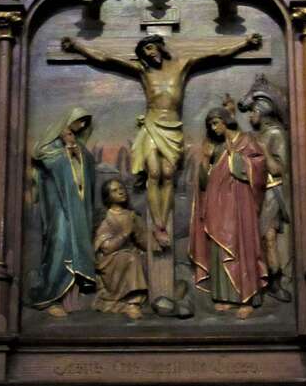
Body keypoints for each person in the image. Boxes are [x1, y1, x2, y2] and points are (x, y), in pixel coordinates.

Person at [61, 32, 261, 248]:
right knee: (154, 173)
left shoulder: (182, 66)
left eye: (150, 48)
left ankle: (163, 221)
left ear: (160, 47)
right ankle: (158, 223)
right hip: (152, 126)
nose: (149, 54)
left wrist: (244, 44)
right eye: (144, 52)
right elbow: (106, 58)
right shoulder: (144, 72)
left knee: (167, 174)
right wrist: (77, 47)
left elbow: (217, 54)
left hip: (173, 130)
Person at [189, 107, 268, 319]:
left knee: (241, 246)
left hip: (240, 203)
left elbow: (259, 167)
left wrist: (235, 158)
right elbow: (204, 183)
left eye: (215, 123)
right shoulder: (216, 149)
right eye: (210, 125)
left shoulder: (246, 141)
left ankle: (247, 298)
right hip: (218, 205)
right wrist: (206, 160)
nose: (213, 129)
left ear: (225, 121)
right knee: (220, 247)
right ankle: (225, 296)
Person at [30, 107, 96, 316]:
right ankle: (50, 296)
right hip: (58, 208)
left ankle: (71, 300)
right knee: (59, 245)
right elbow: (46, 160)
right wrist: (67, 151)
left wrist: (75, 152)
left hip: (76, 209)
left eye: (86, 122)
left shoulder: (79, 147)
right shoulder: (51, 147)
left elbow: (87, 167)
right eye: (80, 121)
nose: (83, 126)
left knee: (74, 245)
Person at [238, 75, 292, 303]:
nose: (250, 117)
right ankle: (256, 283)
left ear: (263, 112)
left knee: (268, 238)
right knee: (254, 239)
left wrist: (263, 150)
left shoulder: (276, 134)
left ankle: (275, 282)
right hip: (254, 193)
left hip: (271, 193)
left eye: (253, 113)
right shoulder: (257, 135)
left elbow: (278, 169)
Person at [93, 179, 149, 320]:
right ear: (107, 196)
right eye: (114, 190)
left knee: (136, 257)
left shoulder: (132, 216)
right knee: (130, 257)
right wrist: (125, 234)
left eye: (121, 187)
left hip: (128, 255)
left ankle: (137, 302)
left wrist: (152, 238)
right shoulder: (106, 218)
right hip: (109, 261)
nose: (121, 191)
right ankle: (131, 302)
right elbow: (106, 248)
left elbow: (144, 242)